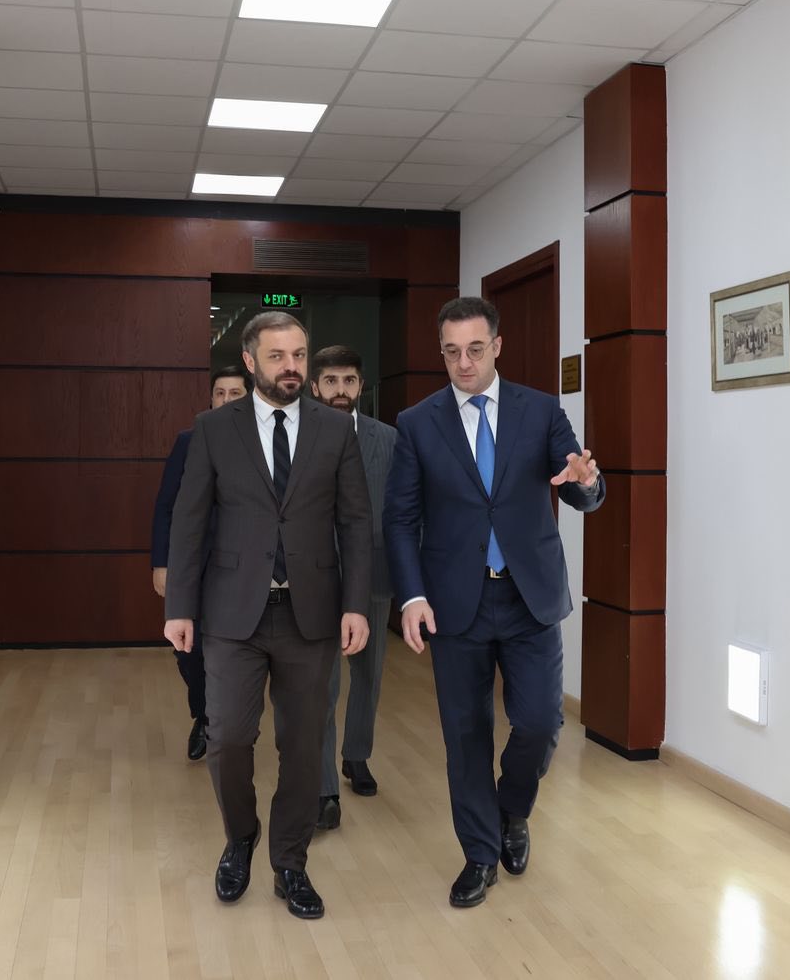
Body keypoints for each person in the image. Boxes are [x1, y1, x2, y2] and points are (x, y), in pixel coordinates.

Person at [383, 296, 604, 909]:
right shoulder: (417, 423)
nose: (464, 363)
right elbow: (399, 519)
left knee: (540, 722)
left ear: (497, 346)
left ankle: (512, 809)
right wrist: (412, 595)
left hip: (530, 597)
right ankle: (480, 854)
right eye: (452, 352)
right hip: (456, 602)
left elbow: (579, 484)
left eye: (475, 350)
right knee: (466, 733)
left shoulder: (541, 411)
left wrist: (586, 482)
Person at [164, 311, 372, 921]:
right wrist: (180, 607)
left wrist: (357, 604)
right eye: (278, 356)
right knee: (228, 737)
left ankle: (290, 862)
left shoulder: (334, 430)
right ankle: (240, 838)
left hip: (312, 613)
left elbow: (356, 522)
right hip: (232, 614)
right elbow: (189, 521)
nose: (291, 368)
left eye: (299, 356)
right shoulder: (213, 429)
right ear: (251, 360)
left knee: (304, 746)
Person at [307, 345, 397, 831]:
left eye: (348, 381)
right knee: (323, 685)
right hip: (318, 578)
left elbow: (402, 512)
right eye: (330, 381)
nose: (339, 390)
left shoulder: (389, 439)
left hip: (375, 575)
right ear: (314, 386)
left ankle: (356, 755)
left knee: (369, 674)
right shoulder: (297, 435)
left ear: (361, 386)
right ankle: (324, 787)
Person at [150, 365, 249, 760]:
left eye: (235, 393)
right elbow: (166, 506)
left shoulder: (265, 443)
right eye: (219, 393)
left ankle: (223, 724)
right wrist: (162, 563)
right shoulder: (188, 442)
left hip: (242, 570)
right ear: (211, 399)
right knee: (188, 651)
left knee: (235, 652)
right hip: (194, 567)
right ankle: (204, 715)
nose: (225, 400)